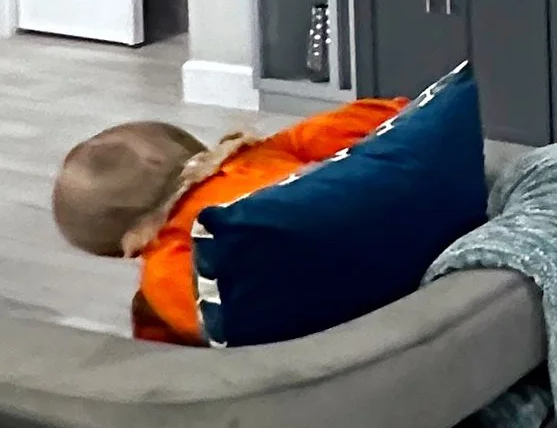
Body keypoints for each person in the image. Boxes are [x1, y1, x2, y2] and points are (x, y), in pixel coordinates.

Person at [51, 98, 404, 344]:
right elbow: (393, 115)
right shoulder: (267, 153)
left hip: (336, 319)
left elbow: (222, 335)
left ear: (130, 245)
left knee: (153, 317)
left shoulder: (169, 266)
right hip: (394, 237)